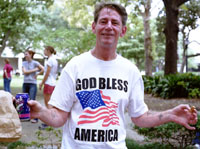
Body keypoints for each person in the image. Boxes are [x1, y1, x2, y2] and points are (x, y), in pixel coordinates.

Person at [28, 2, 198, 149]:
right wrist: (41, 111)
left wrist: (170, 115)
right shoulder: (75, 66)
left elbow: (140, 117)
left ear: (122, 30)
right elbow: (59, 117)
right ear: (94, 27)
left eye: (114, 23)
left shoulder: (130, 70)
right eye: (103, 21)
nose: (108, 26)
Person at [39, 46, 58, 129]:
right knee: (50, 103)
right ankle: (52, 120)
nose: (44, 51)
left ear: (48, 51)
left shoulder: (50, 60)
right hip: (52, 82)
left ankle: (50, 122)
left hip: (48, 83)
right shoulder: (54, 59)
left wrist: (41, 83)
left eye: (44, 50)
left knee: (48, 103)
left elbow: (47, 73)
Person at [22, 50, 44, 123]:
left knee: (32, 101)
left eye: (26, 54)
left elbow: (43, 69)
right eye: (25, 54)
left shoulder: (35, 63)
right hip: (25, 83)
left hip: (32, 84)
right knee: (25, 101)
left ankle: (35, 118)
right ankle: (27, 116)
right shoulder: (24, 63)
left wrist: (37, 74)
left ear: (31, 54)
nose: (25, 55)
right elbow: (24, 72)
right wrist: (35, 69)